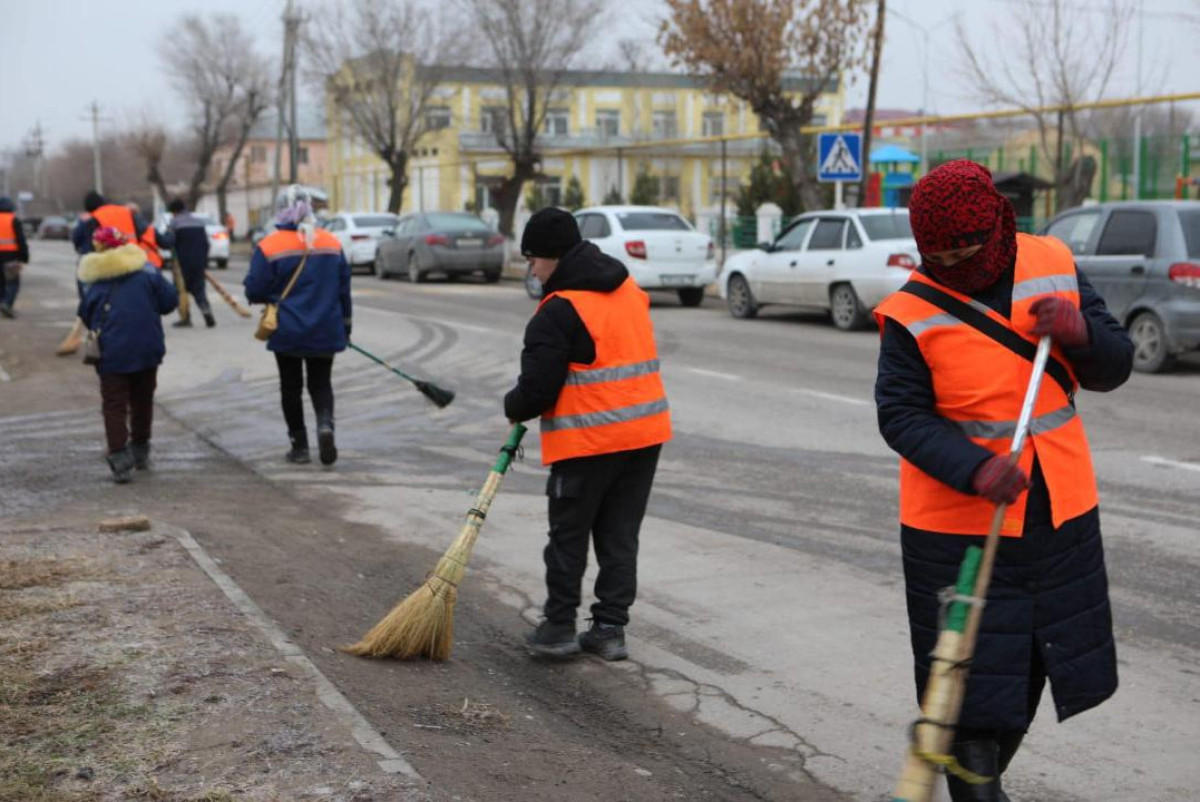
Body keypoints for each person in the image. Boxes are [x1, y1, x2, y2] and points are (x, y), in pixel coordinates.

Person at [873, 160, 1133, 801]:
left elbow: (1114, 365)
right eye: (938, 254)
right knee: (968, 692)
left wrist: (1080, 332)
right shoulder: (911, 311)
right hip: (957, 531)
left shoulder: (1051, 261)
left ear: (997, 227)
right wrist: (975, 466)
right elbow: (900, 414)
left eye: (965, 250)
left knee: (1032, 671)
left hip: (1057, 518)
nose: (953, 264)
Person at [504, 208, 672, 662]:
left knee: (569, 534)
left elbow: (537, 391)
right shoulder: (629, 290)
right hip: (643, 435)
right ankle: (609, 629)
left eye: (533, 259)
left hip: (589, 441)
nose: (531, 269)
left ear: (552, 257)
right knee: (620, 535)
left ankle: (559, 626)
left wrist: (512, 406)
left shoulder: (559, 311)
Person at [244, 185, 351, 466]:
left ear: (280, 210)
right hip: (326, 327)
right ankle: (326, 426)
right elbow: (344, 291)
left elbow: (254, 290)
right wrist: (346, 326)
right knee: (321, 383)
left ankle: (299, 446)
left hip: (287, 329)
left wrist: (269, 296)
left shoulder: (269, 245)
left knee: (290, 387)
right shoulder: (331, 243)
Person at [77, 226, 178, 483]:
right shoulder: (147, 272)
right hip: (147, 347)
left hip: (111, 352)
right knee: (143, 399)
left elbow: (86, 314)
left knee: (114, 404)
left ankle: (120, 458)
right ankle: (141, 449)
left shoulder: (93, 279)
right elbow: (169, 302)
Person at [162, 198, 214, 328]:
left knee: (181, 291)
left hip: (181, 264)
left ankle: (185, 318)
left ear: (174, 211)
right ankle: (207, 314)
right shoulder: (198, 222)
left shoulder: (174, 223)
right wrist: (204, 260)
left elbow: (168, 242)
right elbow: (206, 243)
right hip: (199, 262)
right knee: (199, 290)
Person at [0, 196, 29, 318]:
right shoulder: (14, 220)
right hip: (11, 256)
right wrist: (24, 256)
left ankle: (3, 302)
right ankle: (7, 304)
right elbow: (20, 240)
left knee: (1, 282)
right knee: (13, 282)